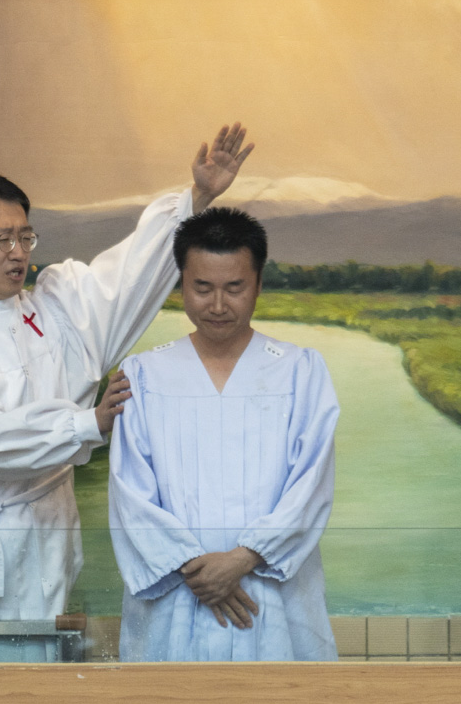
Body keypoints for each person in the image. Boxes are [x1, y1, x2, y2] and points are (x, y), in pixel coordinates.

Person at [0, 126, 254, 661]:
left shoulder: (53, 310)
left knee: (41, 682)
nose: (18, 252)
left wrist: (196, 200)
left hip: (46, 537)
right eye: (2, 239)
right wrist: (89, 423)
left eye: (26, 237)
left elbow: (126, 277)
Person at [107, 207, 339, 662]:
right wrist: (198, 572)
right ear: (181, 284)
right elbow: (129, 490)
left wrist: (244, 558)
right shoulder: (144, 374)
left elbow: (312, 482)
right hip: (179, 592)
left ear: (258, 284)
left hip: (272, 591)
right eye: (202, 288)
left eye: (234, 288)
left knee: (282, 700)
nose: (217, 305)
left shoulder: (300, 371)